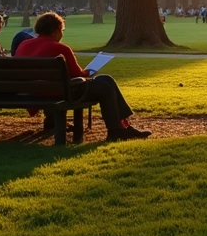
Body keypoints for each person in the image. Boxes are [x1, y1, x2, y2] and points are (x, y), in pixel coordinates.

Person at [16, 12, 151, 141]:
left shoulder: (24, 45)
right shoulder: (61, 48)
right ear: (56, 31)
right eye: (62, 31)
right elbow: (77, 76)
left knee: (105, 81)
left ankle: (122, 127)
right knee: (106, 83)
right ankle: (117, 129)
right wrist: (88, 73)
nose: (62, 34)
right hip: (61, 93)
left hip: (33, 92)